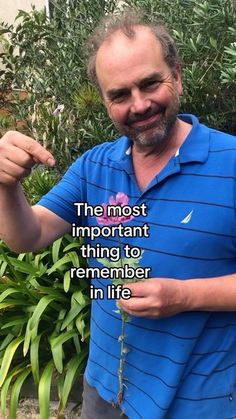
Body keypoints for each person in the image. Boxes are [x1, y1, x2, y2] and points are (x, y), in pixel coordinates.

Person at [0, 7, 236, 419]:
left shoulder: (231, 163)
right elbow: (27, 236)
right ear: (106, 102)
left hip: (203, 403)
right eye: (120, 95)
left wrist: (185, 296)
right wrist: (5, 186)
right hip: (104, 390)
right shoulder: (95, 167)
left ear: (176, 75)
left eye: (150, 83)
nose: (139, 104)